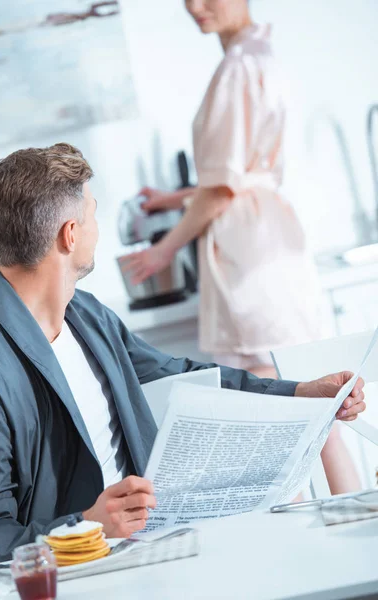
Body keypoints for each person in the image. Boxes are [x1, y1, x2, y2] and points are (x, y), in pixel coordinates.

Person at [0, 144, 365, 563]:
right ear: (70, 235)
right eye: (92, 215)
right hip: (81, 570)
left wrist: (299, 392)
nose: (96, 229)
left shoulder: (85, 315)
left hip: (154, 545)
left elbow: (178, 371)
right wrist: (87, 524)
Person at [121, 0, 361, 494]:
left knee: (276, 412)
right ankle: (359, 523)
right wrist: (173, 198)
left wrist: (163, 251)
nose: (195, 6)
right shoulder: (260, 53)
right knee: (318, 410)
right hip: (271, 245)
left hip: (249, 256)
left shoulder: (236, 67)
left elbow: (222, 187)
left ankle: (302, 554)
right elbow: (238, 174)